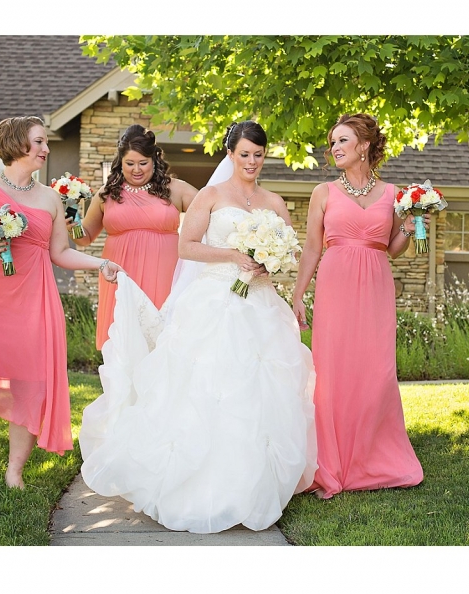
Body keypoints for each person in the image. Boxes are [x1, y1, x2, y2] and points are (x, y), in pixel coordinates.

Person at [79, 121, 317, 533]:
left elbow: (290, 254)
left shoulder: (275, 202)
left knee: (257, 390)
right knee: (206, 386)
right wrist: (232, 255)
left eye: (258, 155)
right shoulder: (209, 196)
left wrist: (269, 261)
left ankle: (250, 483)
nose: (252, 162)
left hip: (258, 303)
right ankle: (199, 481)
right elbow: (185, 246)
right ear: (231, 154)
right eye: (244, 154)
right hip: (212, 300)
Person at [0, 116, 120, 489]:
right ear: (18, 144)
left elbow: (61, 252)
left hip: (33, 301)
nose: (45, 149)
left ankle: (14, 470)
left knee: (29, 384)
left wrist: (102, 263)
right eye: (39, 142)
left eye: (45, 142)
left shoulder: (50, 198)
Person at [291, 112, 424, 498]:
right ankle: (331, 463)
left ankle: (371, 458)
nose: (334, 148)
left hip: (376, 284)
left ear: (364, 145)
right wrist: (299, 294)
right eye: (333, 142)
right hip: (336, 283)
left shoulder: (393, 193)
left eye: (342, 141)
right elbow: (313, 247)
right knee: (333, 371)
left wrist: (415, 224)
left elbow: (394, 249)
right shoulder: (324, 193)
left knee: (376, 370)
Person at [70, 124, 198, 349]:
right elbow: (85, 237)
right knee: (123, 340)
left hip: (164, 272)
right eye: (130, 163)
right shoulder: (106, 194)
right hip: (120, 275)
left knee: (161, 339)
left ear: (154, 160)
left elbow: (211, 214)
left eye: (143, 163)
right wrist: (73, 223)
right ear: (120, 162)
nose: (136, 169)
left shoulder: (176, 189)